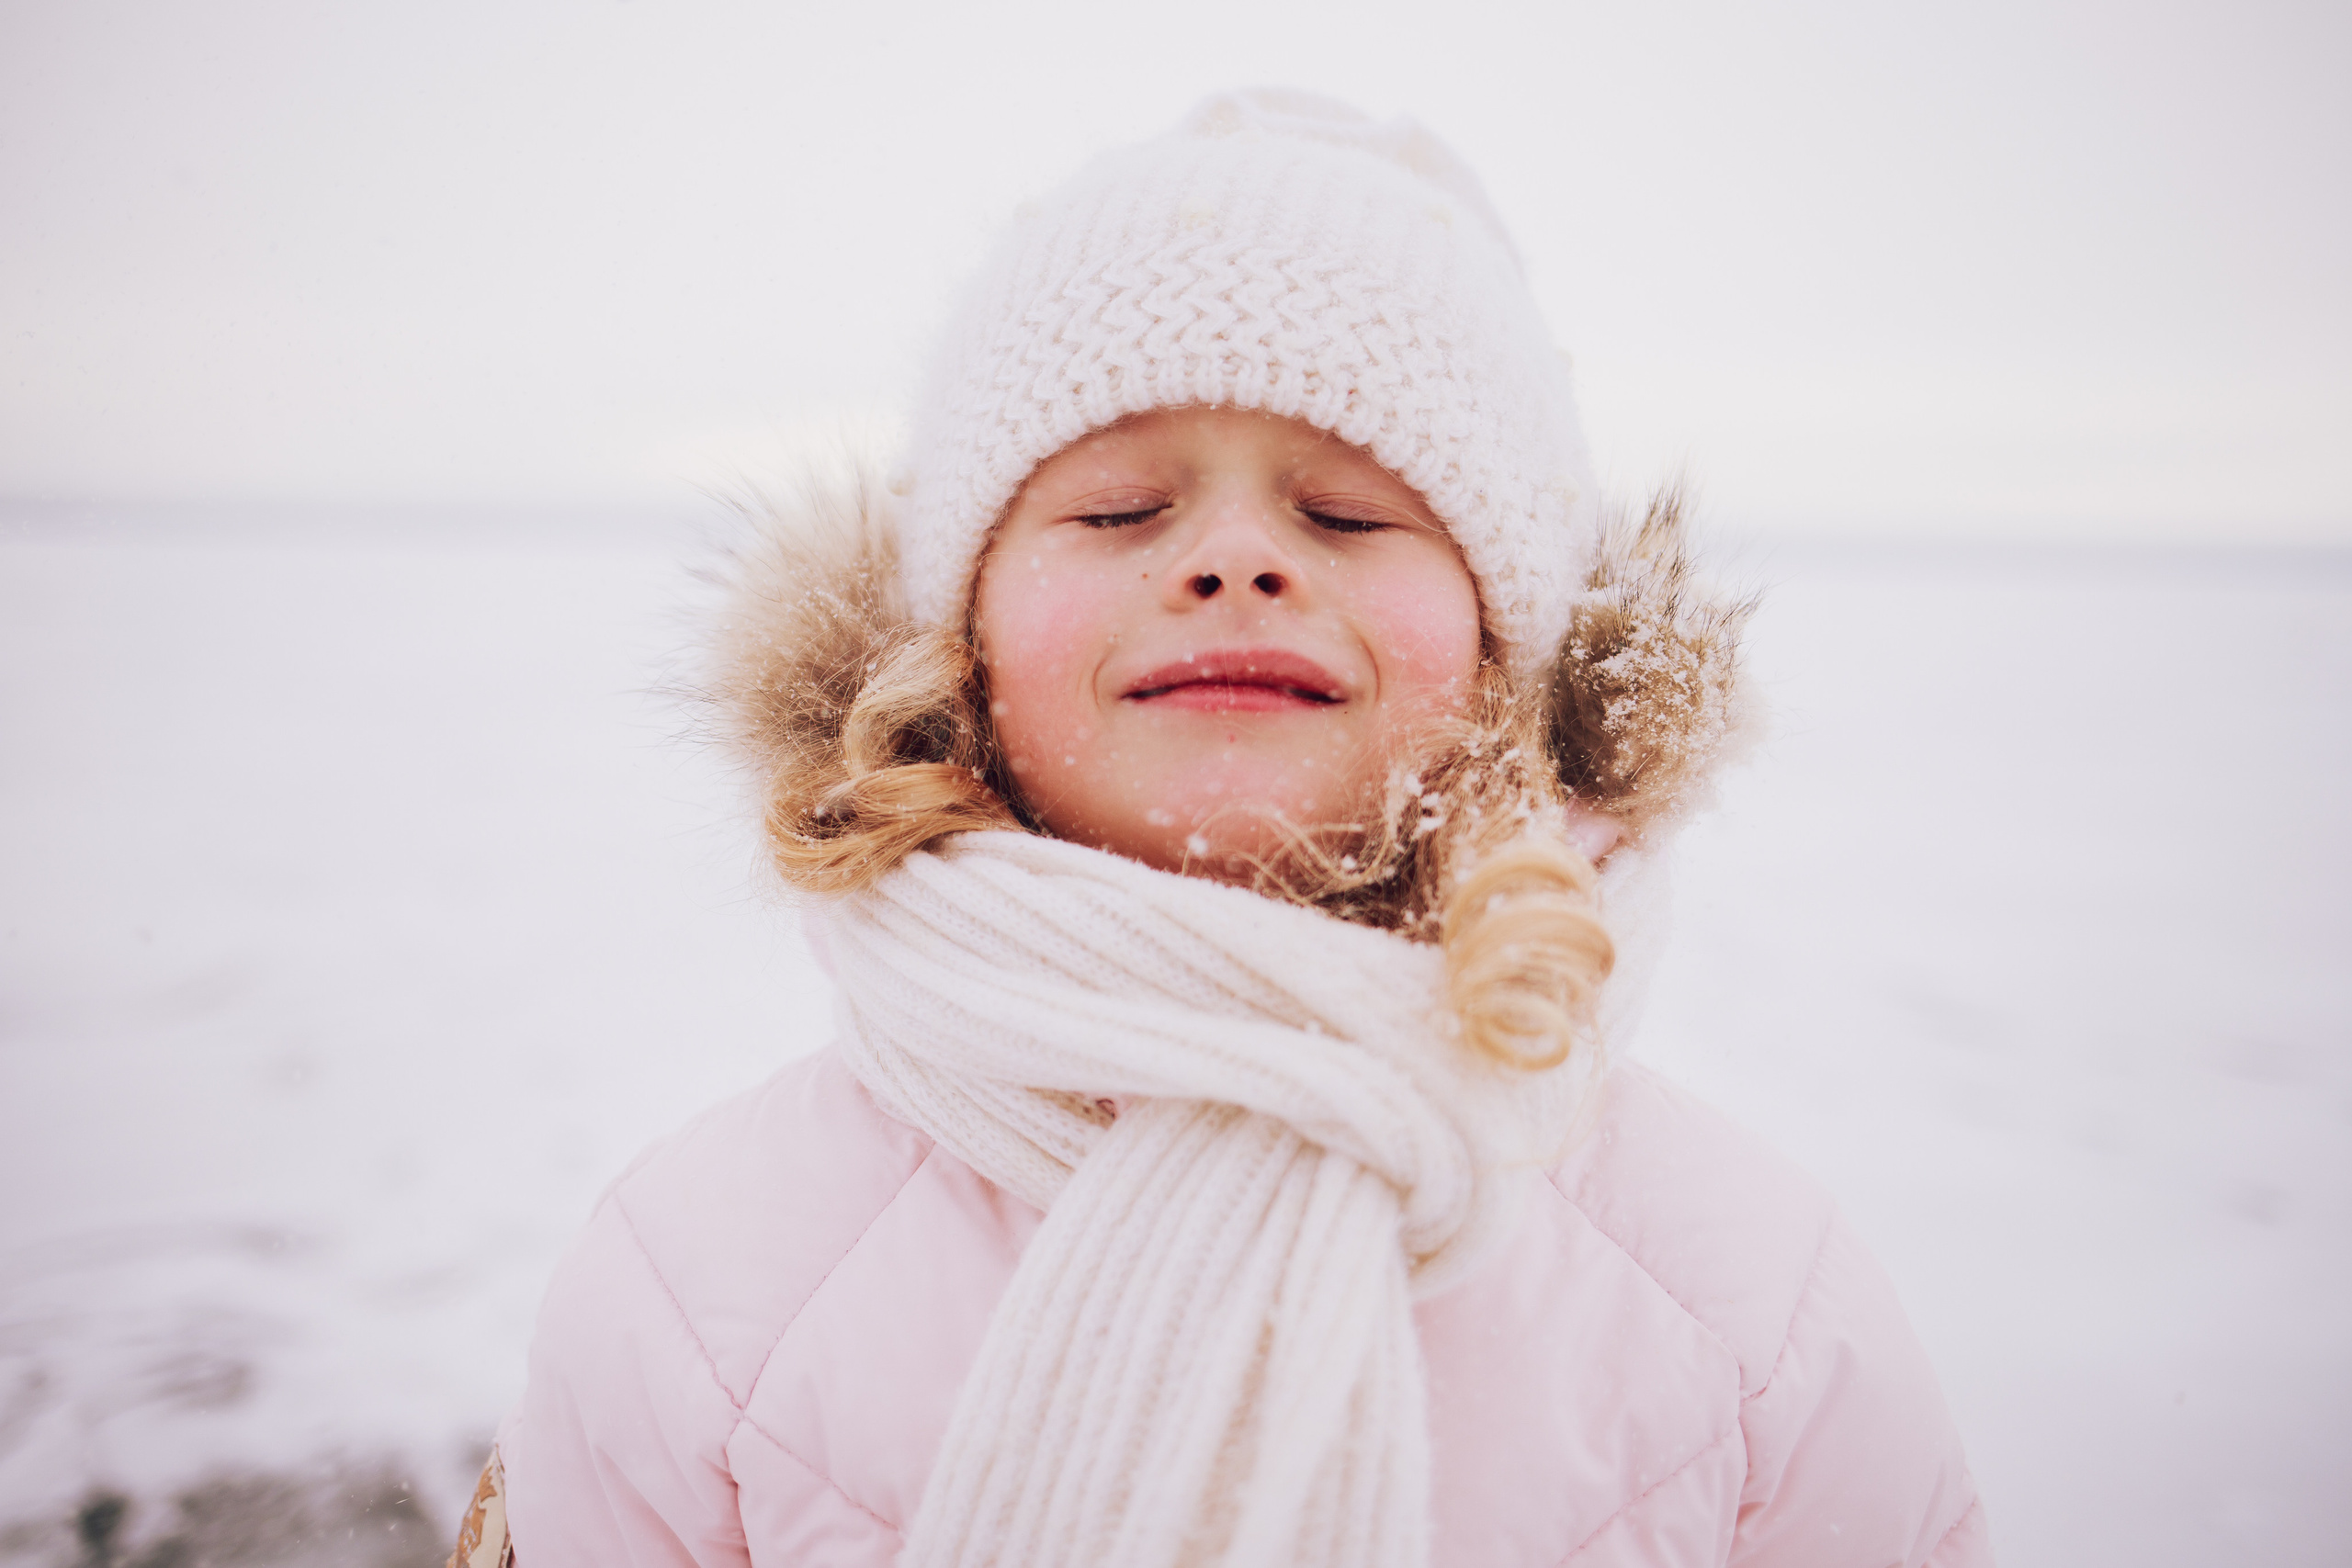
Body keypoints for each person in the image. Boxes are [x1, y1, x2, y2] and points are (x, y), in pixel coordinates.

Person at [467, 90, 1992, 1567]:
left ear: (1507, 655)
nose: (1238, 560)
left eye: (1347, 514)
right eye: (1122, 509)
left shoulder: (1746, 1306)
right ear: (962, 644)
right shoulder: (704, 1276)